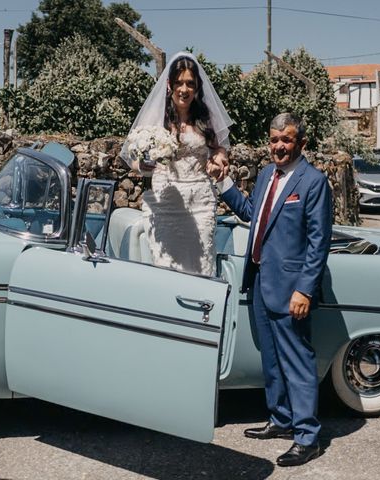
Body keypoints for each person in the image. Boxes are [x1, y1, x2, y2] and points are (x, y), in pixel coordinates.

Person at [213, 113, 332, 467]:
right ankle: (281, 419)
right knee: (272, 359)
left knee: (297, 360)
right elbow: (252, 213)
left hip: (292, 289)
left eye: (287, 139)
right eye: (275, 139)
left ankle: (307, 436)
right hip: (262, 281)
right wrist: (225, 184)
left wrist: (305, 291)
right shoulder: (267, 175)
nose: (280, 145)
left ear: (301, 143)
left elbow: (318, 243)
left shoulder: (314, 182)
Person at [121, 52, 233, 276]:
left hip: (199, 203)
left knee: (201, 267)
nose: (184, 89)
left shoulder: (205, 118)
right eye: (179, 83)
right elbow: (130, 158)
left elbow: (219, 149)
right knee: (167, 270)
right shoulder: (158, 119)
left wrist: (220, 159)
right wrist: (142, 166)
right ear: (170, 85)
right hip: (166, 204)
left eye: (190, 84)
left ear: (197, 87)